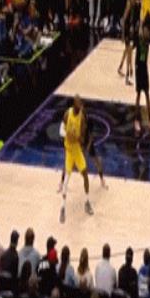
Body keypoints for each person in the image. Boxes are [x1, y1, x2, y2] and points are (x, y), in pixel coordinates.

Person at [59, 95, 92, 223]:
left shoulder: (82, 118)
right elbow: (61, 130)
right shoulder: (67, 114)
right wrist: (68, 134)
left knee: (85, 175)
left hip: (77, 150)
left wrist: (79, 138)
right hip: (69, 150)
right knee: (66, 180)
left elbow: (82, 138)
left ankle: (87, 202)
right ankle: (62, 208)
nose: (81, 106)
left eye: (81, 103)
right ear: (74, 105)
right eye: (79, 104)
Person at [119, 0, 140, 85]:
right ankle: (128, 75)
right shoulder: (128, 4)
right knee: (129, 51)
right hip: (128, 30)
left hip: (132, 30)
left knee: (128, 50)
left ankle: (120, 67)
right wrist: (123, 35)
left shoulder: (135, 2)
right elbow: (124, 20)